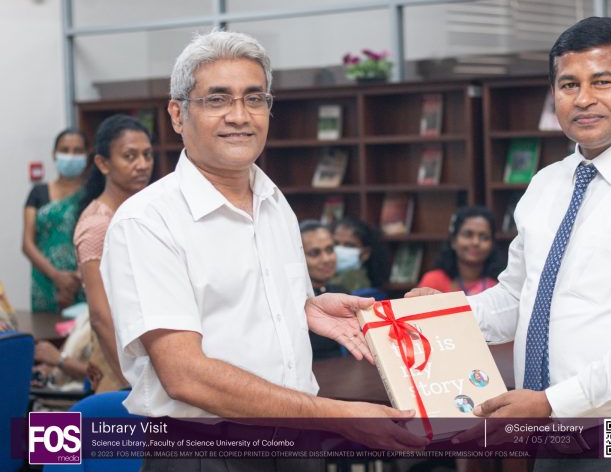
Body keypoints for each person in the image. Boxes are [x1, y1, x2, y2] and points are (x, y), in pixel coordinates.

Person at [412, 17, 611, 470]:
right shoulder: (547, 184)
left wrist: (552, 402)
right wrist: (441, 315)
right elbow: (518, 298)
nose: (583, 99)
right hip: (557, 432)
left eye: (602, 82)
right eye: (569, 85)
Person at [100, 30, 425, 469]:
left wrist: (305, 307)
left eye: (254, 99)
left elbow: (245, 306)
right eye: (218, 99)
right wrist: (337, 414)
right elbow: (185, 376)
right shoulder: (147, 221)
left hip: (297, 447)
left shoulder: (274, 202)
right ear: (178, 114)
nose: (240, 116)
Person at [74, 114, 153, 393]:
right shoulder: (98, 224)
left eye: (147, 154)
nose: (142, 164)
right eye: (130, 156)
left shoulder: (143, 211)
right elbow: (100, 315)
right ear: (103, 163)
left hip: (146, 349)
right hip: (119, 362)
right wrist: (131, 383)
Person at [22, 129, 88, 312]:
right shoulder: (38, 193)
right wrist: (57, 276)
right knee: (45, 329)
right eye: (65, 150)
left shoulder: (92, 194)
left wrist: (77, 278)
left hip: (83, 281)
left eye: (77, 151)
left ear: (86, 155)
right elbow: (27, 244)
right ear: (54, 154)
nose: (71, 156)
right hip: (45, 281)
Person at [417, 205, 505, 295]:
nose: (475, 242)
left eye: (484, 237)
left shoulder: (501, 284)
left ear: (492, 244)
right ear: (453, 241)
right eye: (468, 235)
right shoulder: (433, 281)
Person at [300, 219, 346, 360]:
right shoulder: (295, 304)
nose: (326, 259)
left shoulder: (341, 293)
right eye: (315, 253)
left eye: (329, 250)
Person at [331, 216, 389, 294]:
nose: (339, 249)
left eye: (349, 245)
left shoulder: (360, 286)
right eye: (335, 243)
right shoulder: (325, 278)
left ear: (365, 253)